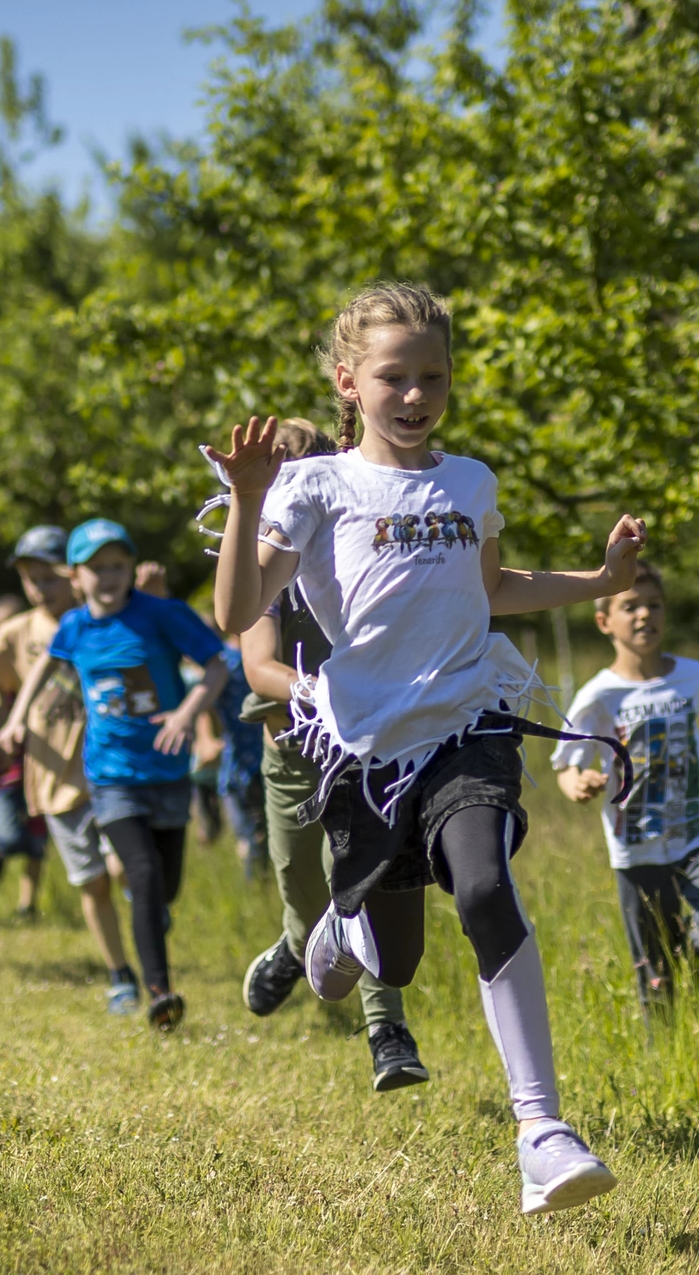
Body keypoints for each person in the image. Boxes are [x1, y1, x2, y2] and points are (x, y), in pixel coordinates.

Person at [210, 282, 647, 1216]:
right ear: (348, 381)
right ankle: (337, 927)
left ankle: (542, 1132)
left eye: (433, 378)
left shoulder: (471, 481)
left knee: (485, 888)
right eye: (393, 378)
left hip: (468, 723)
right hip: (367, 749)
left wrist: (598, 579)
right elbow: (237, 611)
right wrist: (248, 501)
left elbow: (493, 588)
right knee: (394, 961)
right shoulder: (314, 485)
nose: (415, 396)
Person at [236, 416, 432, 1091]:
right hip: (292, 753)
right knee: (300, 883)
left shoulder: (359, 554)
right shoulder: (260, 573)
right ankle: (296, 948)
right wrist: (315, 693)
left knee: (356, 883)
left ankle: (388, 1032)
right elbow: (257, 665)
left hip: (360, 753)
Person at [0, 519, 230, 1030]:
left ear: (129, 568)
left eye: (117, 566)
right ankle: (159, 992)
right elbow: (48, 665)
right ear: (76, 575)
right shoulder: (75, 626)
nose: (108, 577)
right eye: (96, 568)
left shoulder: (163, 615)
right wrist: (17, 716)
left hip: (168, 772)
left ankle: (151, 923)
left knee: (163, 886)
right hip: (110, 777)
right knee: (141, 873)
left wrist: (187, 714)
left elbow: (216, 665)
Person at [554, 563, 699, 1003]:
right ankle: (662, 1052)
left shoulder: (692, 676)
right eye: (630, 606)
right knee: (654, 978)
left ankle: (695, 958)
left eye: (654, 605)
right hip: (636, 842)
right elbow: (567, 762)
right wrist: (577, 784)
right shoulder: (598, 695)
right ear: (604, 621)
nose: (645, 615)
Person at [0, 526, 137, 1012]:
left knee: (126, 867)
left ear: (73, 576)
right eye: (30, 579)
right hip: (55, 781)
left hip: (113, 770)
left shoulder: (106, 619)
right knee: (92, 881)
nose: (39, 589)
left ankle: (146, 932)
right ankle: (120, 973)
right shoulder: (17, 632)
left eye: (49, 578)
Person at [0, 593, 47, 919]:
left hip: (38, 767)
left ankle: (27, 905)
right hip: (0, 770)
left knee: (37, 843)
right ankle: (0, 845)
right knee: (12, 836)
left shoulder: (37, 674)